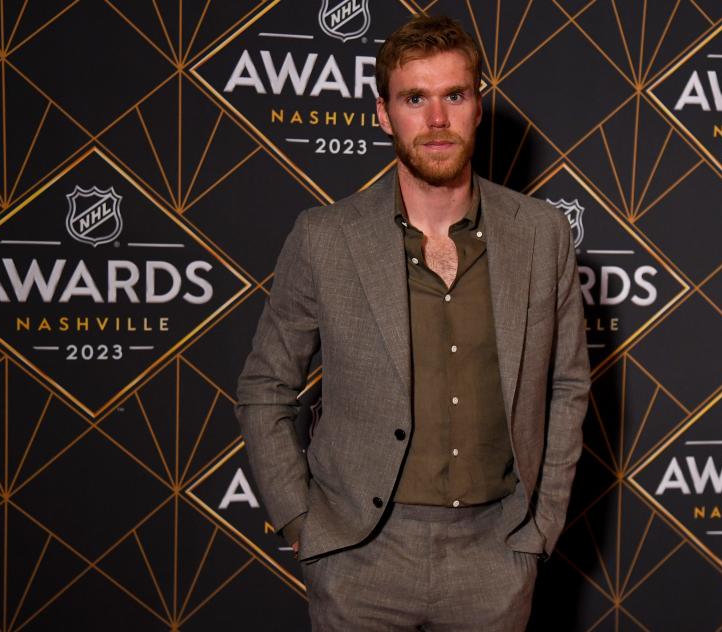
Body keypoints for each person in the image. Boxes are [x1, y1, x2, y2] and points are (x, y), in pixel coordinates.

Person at [236, 14, 589, 631]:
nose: (435, 121)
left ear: (477, 107)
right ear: (383, 113)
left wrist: (541, 529)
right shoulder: (324, 238)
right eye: (414, 98)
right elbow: (265, 389)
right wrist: (305, 525)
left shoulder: (542, 234)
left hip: (495, 553)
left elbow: (568, 385)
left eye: (453, 95)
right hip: (361, 556)